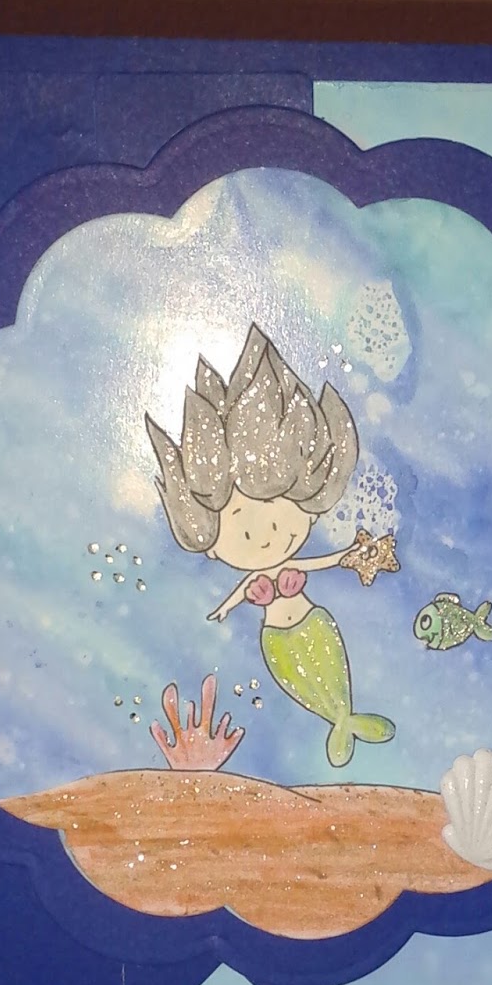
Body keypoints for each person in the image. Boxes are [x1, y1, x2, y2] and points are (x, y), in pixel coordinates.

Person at [146, 324, 395, 768]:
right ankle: (339, 724)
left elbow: (318, 562)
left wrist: (347, 556)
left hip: (314, 626)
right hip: (279, 642)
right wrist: (223, 609)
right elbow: (243, 590)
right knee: (306, 686)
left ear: (311, 509)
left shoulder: (290, 558)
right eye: (241, 530)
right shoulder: (250, 573)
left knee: (333, 681)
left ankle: (347, 719)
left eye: (285, 517)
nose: (265, 536)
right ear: (210, 544)